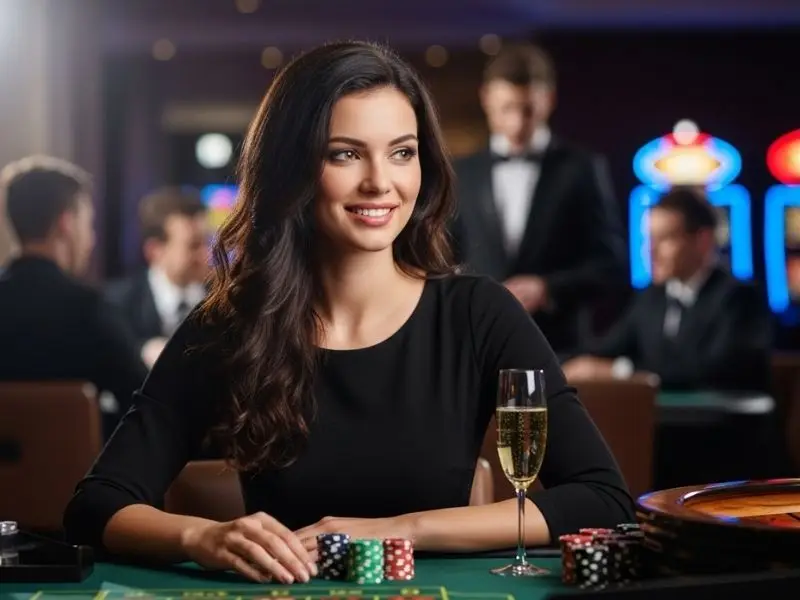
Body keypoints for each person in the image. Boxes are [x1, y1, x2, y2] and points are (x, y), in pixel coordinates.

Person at [63, 41, 633, 584]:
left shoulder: (480, 313)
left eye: (402, 153)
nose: (380, 183)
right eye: (345, 154)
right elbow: (96, 503)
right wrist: (200, 539)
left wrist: (397, 531)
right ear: (293, 169)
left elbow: (601, 496)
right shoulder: (232, 323)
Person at [451, 43, 626, 354]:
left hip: (559, 349)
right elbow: (446, 261)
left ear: (549, 100)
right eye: (507, 109)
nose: (517, 123)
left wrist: (548, 289)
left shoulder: (583, 169)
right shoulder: (461, 172)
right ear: (486, 98)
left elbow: (610, 265)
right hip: (478, 345)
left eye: (528, 109)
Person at [563, 186, 772, 392]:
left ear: (703, 240)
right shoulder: (651, 297)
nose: (651, 250)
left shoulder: (739, 297)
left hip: (719, 424)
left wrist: (621, 371)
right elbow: (604, 351)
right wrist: (557, 363)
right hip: (658, 423)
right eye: (650, 239)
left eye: (665, 238)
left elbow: (712, 370)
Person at [0, 156, 148, 437]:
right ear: (66, 223)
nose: (91, 239)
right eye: (88, 224)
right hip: (69, 479)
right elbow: (144, 404)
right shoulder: (87, 309)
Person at [105, 187, 210, 367]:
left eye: (206, 242)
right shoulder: (116, 304)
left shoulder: (228, 302)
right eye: (193, 245)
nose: (206, 255)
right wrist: (143, 351)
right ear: (155, 251)